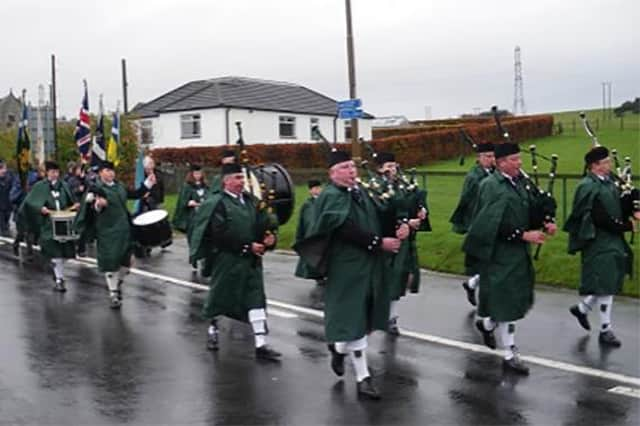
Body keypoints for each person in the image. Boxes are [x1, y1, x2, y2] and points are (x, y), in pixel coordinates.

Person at [295, 150, 405, 400]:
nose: (351, 171)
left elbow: (378, 214)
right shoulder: (331, 196)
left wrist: (400, 226)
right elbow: (344, 228)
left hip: (369, 264)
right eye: (344, 167)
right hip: (346, 267)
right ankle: (363, 377)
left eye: (352, 166)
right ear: (332, 173)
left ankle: (339, 348)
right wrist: (378, 243)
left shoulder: (360, 191)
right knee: (354, 317)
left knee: (364, 318)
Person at [463, 143, 557, 375]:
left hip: (518, 253)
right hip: (499, 254)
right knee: (506, 302)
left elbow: (528, 210)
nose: (519, 163)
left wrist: (545, 220)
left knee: (514, 298)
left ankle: (486, 325)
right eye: (514, 159)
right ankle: (510, 353)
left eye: (519, 159)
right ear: (501, 162)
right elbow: (489, 223)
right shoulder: (490, 186)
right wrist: (523, 235)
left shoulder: (519, 184)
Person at [189, 163, 281, 360]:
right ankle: (213, 330)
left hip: (251, 262)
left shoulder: (251, 202)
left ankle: (261, 345)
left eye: (243, 178)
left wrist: (270, 237)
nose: (242, 182)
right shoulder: (217, 203)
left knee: (256, 298)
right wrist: (246, 246)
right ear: (226, 181)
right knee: (220, 298)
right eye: (238, 178)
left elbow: (265, 222)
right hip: (227, 260)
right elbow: (218, 234)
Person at [564, 146, 638, 347]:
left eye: (609, 162)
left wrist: (633, 204)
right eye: (605, 162)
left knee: (609, 278)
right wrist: (626, 226)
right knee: (606, 282)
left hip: (612, 238)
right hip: (596, 239)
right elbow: (599, 217)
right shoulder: (587, 186)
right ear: (594, 166)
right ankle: (606, 329)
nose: (610, 165)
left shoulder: (609, 183)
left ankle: (582, 309)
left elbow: (618, 206)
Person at [374, 152, 427, 336]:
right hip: (388, 239)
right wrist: (402, 223)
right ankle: (384, 317)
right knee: (390, 280)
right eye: (387, 166)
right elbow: (381, 213)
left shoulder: (403, 185)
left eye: (394, 165)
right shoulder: (376, 188)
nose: (392, 169)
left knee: (403, 279)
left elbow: (410, 204)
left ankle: (391, 316)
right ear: (379, 169)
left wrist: (421, 211)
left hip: (406, 240)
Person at [75, 161, 133, 309]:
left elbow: (134, 194)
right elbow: (90, 209)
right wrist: (97, 205)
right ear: (100, 173)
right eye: (107, 170)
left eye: (112, 170)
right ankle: (113, 293)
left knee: (126, 264)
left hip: (124, 229)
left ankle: (118, 282)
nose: (111, 173)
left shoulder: (119, 186)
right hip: (106, 230)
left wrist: (148, 184)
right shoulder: (95, 189)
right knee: (110, 261)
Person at [19, 161, 78, 291]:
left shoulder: (64, 185)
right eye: (52, 172)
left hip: (63, 222)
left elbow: (71, 201)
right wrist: (41, 208)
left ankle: (57, 270)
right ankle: (59, 279)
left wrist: (74, 206)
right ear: (47, 173)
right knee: (54, 250)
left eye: (56, 172)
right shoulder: (40, 186)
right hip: (48, 223)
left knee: (64, 252)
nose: (55, 175)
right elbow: (30, 203)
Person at [450, 143, 495, 306]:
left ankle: (472, 284)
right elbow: (468, 202)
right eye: (487, 156)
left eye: (493, 156)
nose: (491, 160)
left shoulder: (495, 174)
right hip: (478, 223)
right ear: (479, 158)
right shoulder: (474, 177)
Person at [294, 179, 325, 309]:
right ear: (310, 190)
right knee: (315, 267)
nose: (317, 190)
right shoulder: (307, 205)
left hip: (322, 238)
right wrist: (299, 239)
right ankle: (317, 296)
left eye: (319, 187)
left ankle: (321, 292)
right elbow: (302, 223)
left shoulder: (324, 202)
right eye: (315, 188)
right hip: (310, 238)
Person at [173, 164, 209, 271]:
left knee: (204, 238)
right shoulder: (187, 186)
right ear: (192, 174)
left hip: (203, 216)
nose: (198, 175)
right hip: (192, 217)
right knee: (193, 239)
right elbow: (182, 201)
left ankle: (203, 258)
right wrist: (189, 202)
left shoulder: (206, 186)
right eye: (196, 173)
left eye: (199, 173)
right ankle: (194, 259)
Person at [0, 160, 18, 236]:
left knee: (7, 218)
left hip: (8, 204)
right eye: (2, 169)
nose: (4, 171)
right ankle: (4, 231)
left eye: (4, 168)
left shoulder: (10, 177)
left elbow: (14, 188)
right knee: (2, 221)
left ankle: (5, 229)